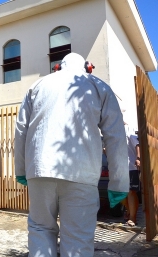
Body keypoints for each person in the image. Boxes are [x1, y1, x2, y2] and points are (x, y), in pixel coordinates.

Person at [15, 52, 129, 257]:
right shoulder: (99, 86)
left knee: (40, 229)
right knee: (77, 238)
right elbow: (116, 136)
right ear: (86, 67)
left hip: (40, 171)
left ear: (59, 66)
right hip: (82, 173)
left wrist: (22, 170)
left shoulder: (38, 86)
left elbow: (21, 130)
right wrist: (119, 183)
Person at [122, 125, 141, 227]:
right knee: (120, 191)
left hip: (130, 166)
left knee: (130, 191)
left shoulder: (128, 129)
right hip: (119, 167)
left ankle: (132, 218)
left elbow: (137, 144)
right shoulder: (113, 131)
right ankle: (129, 211)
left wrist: (138, 158)